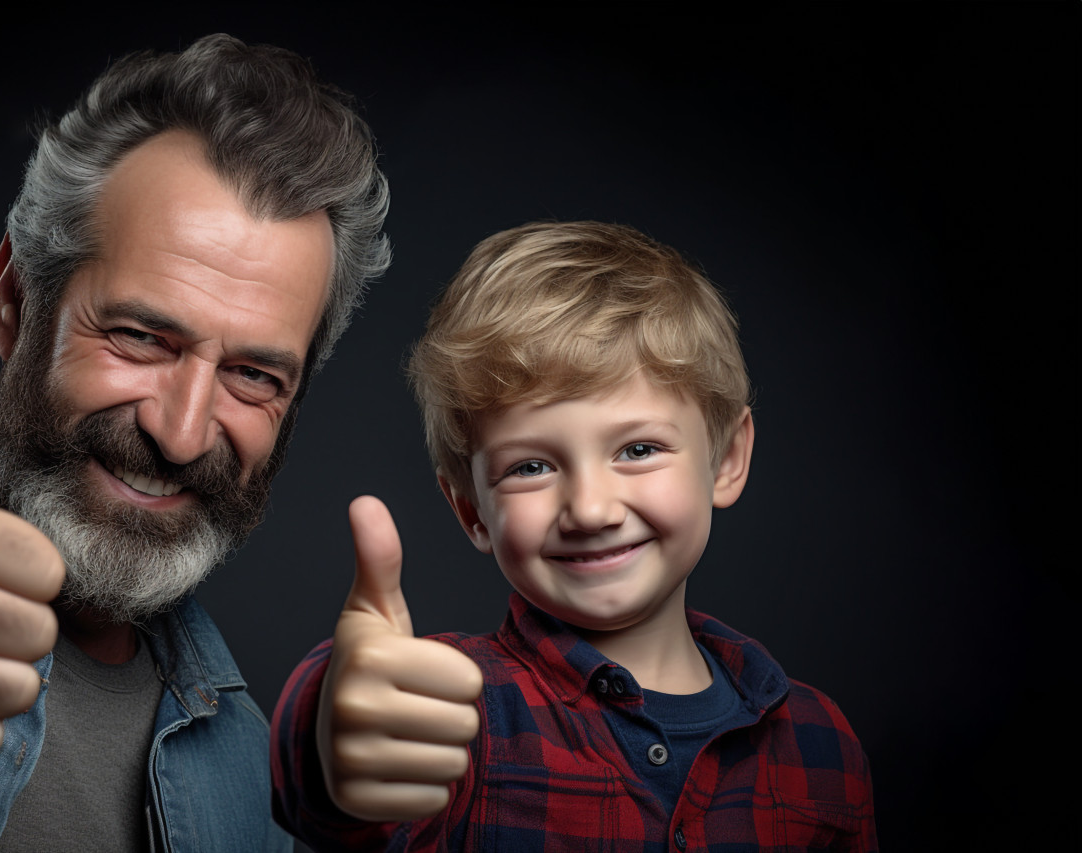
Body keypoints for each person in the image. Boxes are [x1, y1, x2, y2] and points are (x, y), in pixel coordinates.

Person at [0, 34, 389, 852]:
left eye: (254, 375)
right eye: (140, 336)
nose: (180, 434)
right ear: (16, 298)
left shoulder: (251, 775)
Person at [272, 222, 877, 851]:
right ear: (471, 511)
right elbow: (348, 777)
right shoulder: (455, 711)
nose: (589, 510)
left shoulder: (823, 747)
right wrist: (331, 731)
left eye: (638, 450)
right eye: (531, 467)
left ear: (725, 458)